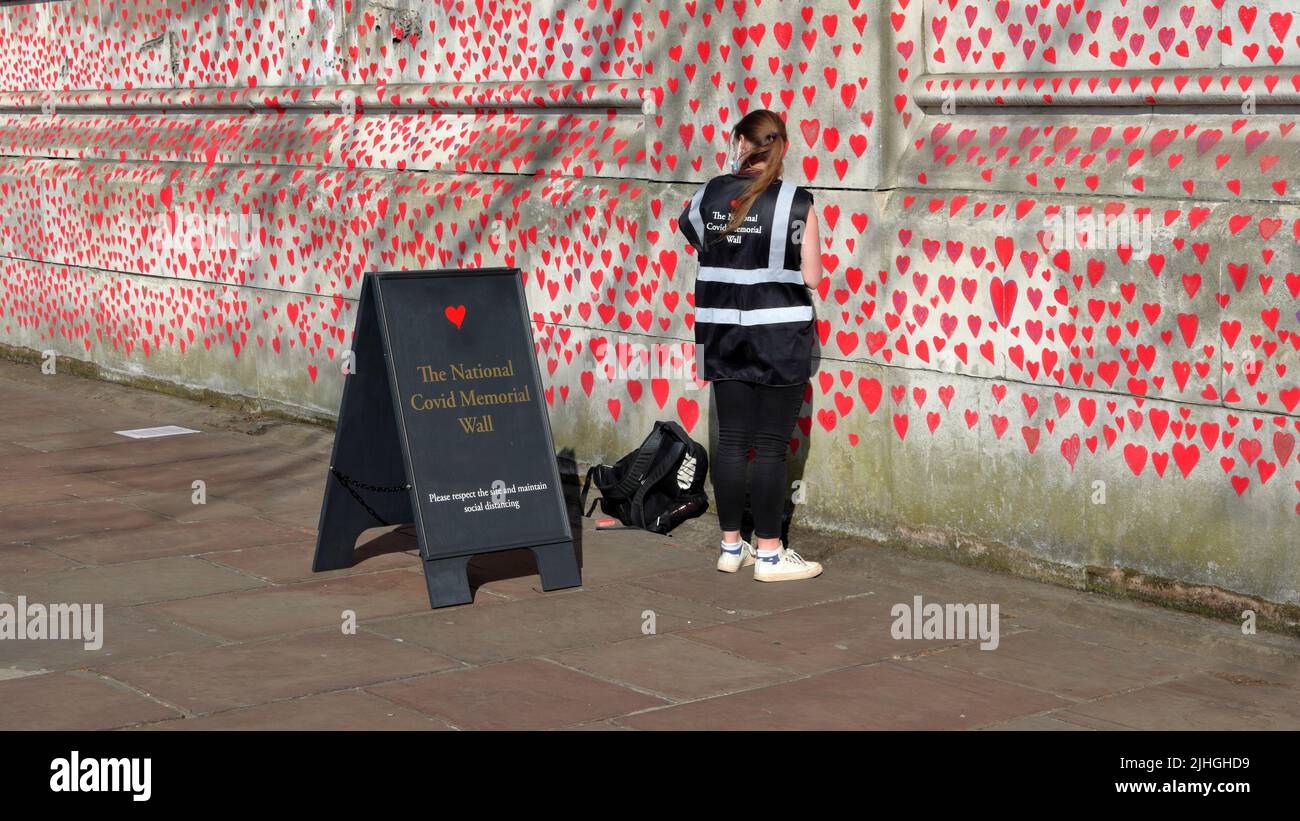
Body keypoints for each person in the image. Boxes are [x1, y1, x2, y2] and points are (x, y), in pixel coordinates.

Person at [676, 109, 824, 582]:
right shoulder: (796, 203)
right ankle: (770, 555)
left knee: (733, 441)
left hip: (721, 335)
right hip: (780, 339)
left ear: (740, 141)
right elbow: (814, 276)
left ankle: (729, 547)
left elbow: (695, 236)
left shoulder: (708, 194)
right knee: (771, 447)